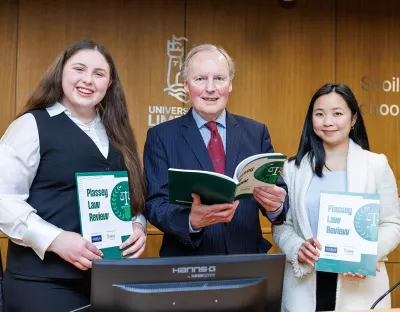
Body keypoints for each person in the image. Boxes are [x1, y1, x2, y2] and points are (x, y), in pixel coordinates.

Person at [0, 40, 147, 312]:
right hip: (42, 283)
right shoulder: (31, 125)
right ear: (60, 73)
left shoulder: (118, 134)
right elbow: (3, 200)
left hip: (107, 281)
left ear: (110, 84)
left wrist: (137, 225)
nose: (88, 80)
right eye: (79, 69)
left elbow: (131, 197)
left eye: (99, 74)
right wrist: (55, 239)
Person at [143, 44, 288, 257]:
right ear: (185, 85)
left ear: (229, 84)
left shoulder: (257, 133)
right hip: (188, 265)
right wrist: (190, 220)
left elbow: (277, 194)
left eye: (219, 79)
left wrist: (276, 205)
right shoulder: (161, 136)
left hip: (247, 262)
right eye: (200, 79)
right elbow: (155, 203)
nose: (210, 88)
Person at [273, 83, 400, 311]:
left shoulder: (376, 165)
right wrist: (297, 248)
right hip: (304, 288)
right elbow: (282, 225)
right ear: (311, 120)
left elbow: (392, 224)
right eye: (319, 114)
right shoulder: (293, 168)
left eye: (337, 113)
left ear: (353, 120)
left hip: (360, 289)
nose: (328, 122)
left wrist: (367, 255)